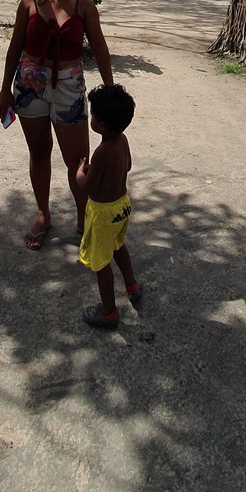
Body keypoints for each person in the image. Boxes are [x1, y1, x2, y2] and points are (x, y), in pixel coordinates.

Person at [0, 0, 114, 249]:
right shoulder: (29, 3)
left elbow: (100, 48)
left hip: (70, 84)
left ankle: (82, 216)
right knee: (39, 152)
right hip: (29, 83)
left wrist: (110, 90)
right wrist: (5, 90)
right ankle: (43, 214)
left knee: (77, 160)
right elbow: (15, 46)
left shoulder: (84, 5)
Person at [75, 83, 141, 330]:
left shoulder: (101, 152)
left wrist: (79, 172)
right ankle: (132, 285)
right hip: (122, 206)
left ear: (100, 124)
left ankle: (108, 312)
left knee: (101, 263)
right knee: (118, 246)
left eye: (93, 115)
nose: (90, 118)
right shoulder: (122, 140)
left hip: (103, 213)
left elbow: (89, 188)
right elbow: (128, 166)